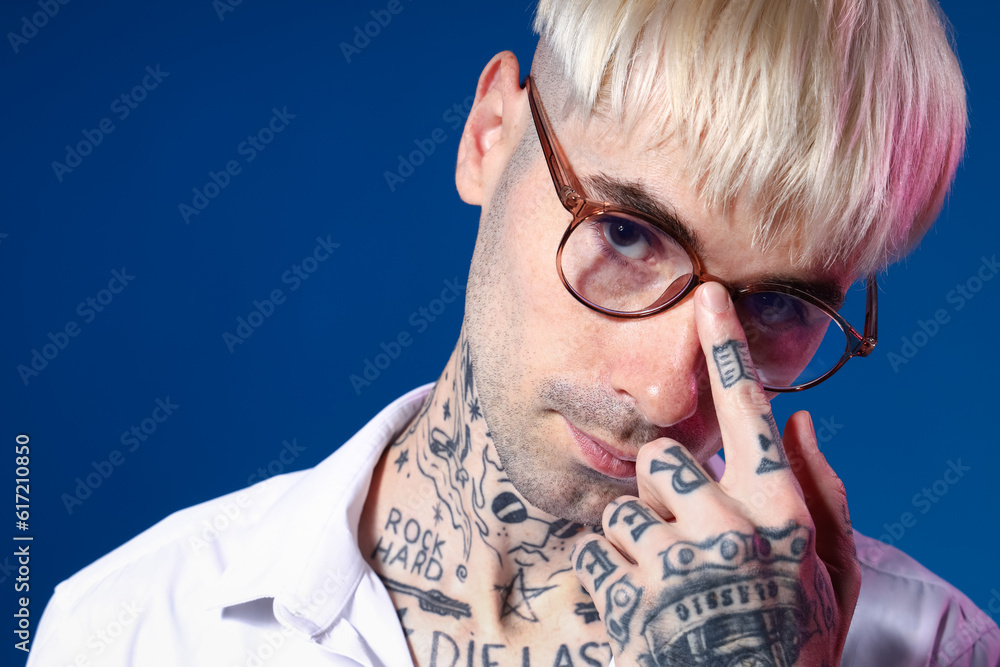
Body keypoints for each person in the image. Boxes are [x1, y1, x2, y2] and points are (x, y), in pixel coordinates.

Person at [28, 0, 999, 665]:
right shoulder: (134, 622)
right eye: (625, 233)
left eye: (776, 304)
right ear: (490, 134)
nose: (666, 394)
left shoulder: (939, 647)